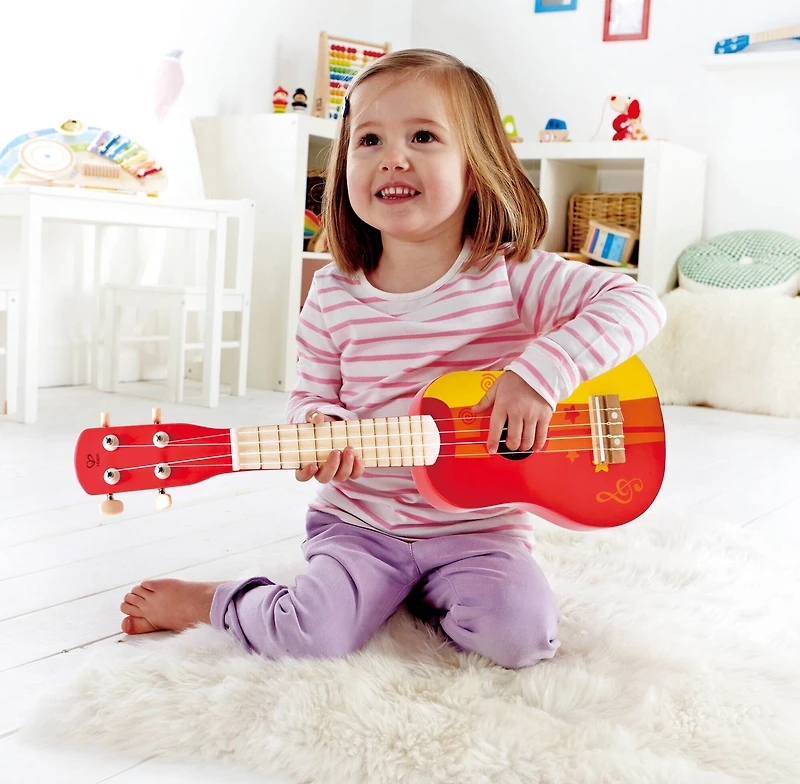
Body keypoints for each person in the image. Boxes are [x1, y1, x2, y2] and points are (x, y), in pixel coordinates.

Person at [120, 49, 666, 669]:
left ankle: (431, 590)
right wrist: (318, 428)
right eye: (369, 139)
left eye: (424, 136)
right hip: (361, 524)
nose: (392, 156)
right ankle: (217, 602)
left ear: (477, 163)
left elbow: (635, 303)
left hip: (479, 530)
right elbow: (312, 394)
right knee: (313, 638)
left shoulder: (511, 276)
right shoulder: (332, 293)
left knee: (523, 638)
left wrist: (538, 377)